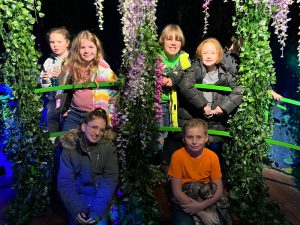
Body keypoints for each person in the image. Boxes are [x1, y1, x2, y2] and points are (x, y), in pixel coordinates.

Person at [57, 108, 119, 225]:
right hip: (76, 198)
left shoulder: (108, 148)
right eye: (94, 127)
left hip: (99, 199)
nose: (97, 133)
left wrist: (97, 211)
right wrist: (76, 209)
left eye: (102, 130)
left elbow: (109, 181)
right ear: (84, 127)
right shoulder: (70, 147)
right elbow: (65, 182)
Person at [178, 37, 243, 147]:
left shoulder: (224, 74)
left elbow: (240, 89)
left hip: (215, 123)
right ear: (200, 55)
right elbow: (185, 84)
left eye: (213, 53)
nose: (208, 56)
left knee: (214, 148)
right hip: (194, 119)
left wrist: (222, 107)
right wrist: (203, 106)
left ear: (218, 55)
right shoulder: (195, 68)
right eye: (205, 53)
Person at [168, 118, 231, 225]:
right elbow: (177, 192)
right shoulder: (178, 156)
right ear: (183, 139)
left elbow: (218, 189)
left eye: (199, 137)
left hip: (206, 197)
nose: (194, 142)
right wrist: (200, 213)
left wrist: (200, 206)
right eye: (189, 137)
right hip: (184, 199)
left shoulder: (212, 157)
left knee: (218, 222)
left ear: (206, 138)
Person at [58, 30, 118, 131]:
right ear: (77, 50)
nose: (87, 51)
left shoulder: (103, 69)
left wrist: (109, 112)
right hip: (74, 114)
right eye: (82, 47)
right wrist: (61, 108)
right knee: (67, 142)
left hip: (95, 115)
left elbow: (115, 92)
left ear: (97, 49)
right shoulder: (71, 68)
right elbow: (60, 88)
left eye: (91, 47)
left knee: (92, 144)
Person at [158, 24, 191, 128]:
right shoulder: (154, 57)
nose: (173, 43)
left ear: (181, 43)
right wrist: (159, 79)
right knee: (159, 139)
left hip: (177, 105)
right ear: (163, 41)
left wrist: (174, 79)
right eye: (169, 39)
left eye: (177, 40)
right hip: (158, 104)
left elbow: (188, 74)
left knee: (170, 138)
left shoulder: (184, 59)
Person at [39, 27, 71, 132]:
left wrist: (62, 75)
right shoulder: (48, 62)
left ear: (67, 43)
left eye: (59, 42)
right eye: (52, 42)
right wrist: (46, 80)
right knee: (52, 137)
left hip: (69, 105)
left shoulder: (74, 60)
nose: (55, 45)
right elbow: (45, 87)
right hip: (52, 105)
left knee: (68, 136)